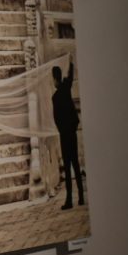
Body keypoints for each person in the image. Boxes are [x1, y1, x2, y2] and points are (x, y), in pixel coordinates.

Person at [52, 61, 85, 209]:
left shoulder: (55, 97)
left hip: (64, 135)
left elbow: (57, 119)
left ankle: (69, 200)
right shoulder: (66, 87)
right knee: (76, 164)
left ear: (55, 78)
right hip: (71, 132)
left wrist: (62, 130)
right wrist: (70, 63)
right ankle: (81, 197)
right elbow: (70, 76)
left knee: (67, 165)